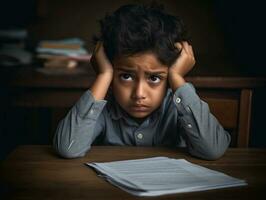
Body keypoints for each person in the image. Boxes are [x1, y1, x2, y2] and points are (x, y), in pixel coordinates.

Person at [53, 3, 231, 160]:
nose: (139, 94)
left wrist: (177, 78)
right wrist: (104, 75)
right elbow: (68, 148)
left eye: (154, 78)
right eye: (126, 76)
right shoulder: (105, 105)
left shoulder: (177, 105)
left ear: (168, 78)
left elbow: (213, 150)